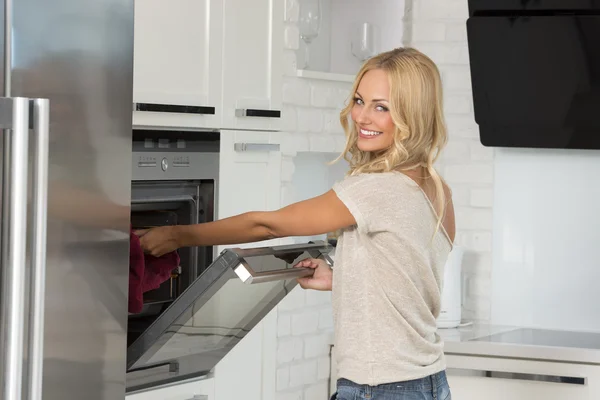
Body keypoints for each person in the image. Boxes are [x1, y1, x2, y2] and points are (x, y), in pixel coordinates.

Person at [136, 47, 456, 400]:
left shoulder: (376, 189)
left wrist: (177, 235)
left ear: (413, 114)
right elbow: (406, 278)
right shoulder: (437, 190)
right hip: (428, 383)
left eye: (382, 107)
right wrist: (344, 277)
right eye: (359, 101)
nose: (362, 117)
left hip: (380, 388)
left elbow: (267, 226)